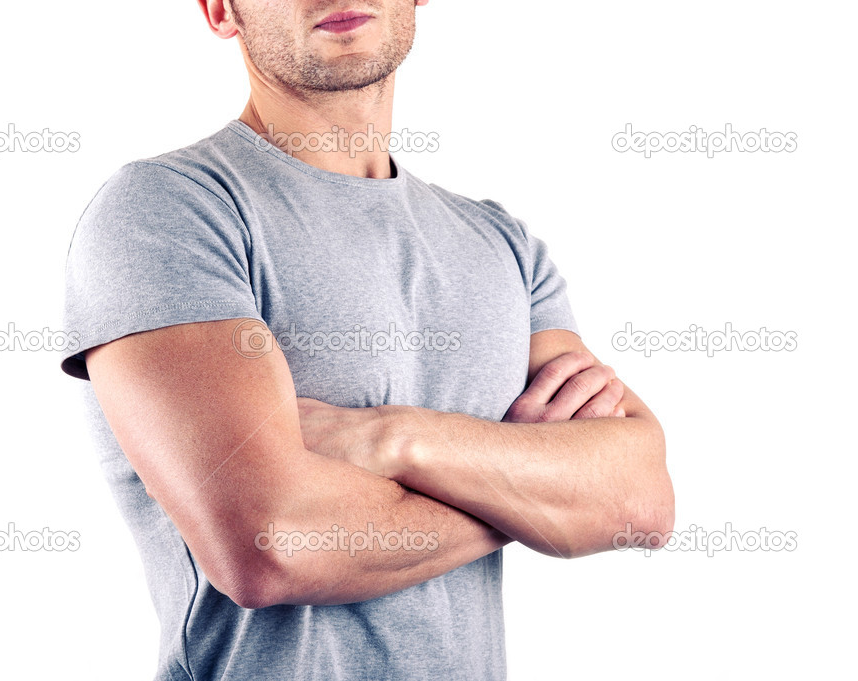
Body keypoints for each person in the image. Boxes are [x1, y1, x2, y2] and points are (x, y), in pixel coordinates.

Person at [60, 1, 675, 678]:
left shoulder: (502, 245)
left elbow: (638, 499)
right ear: (219, 10)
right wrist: (533, 494)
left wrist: (390, 438)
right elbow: (270, 547)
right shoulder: (168, 212)